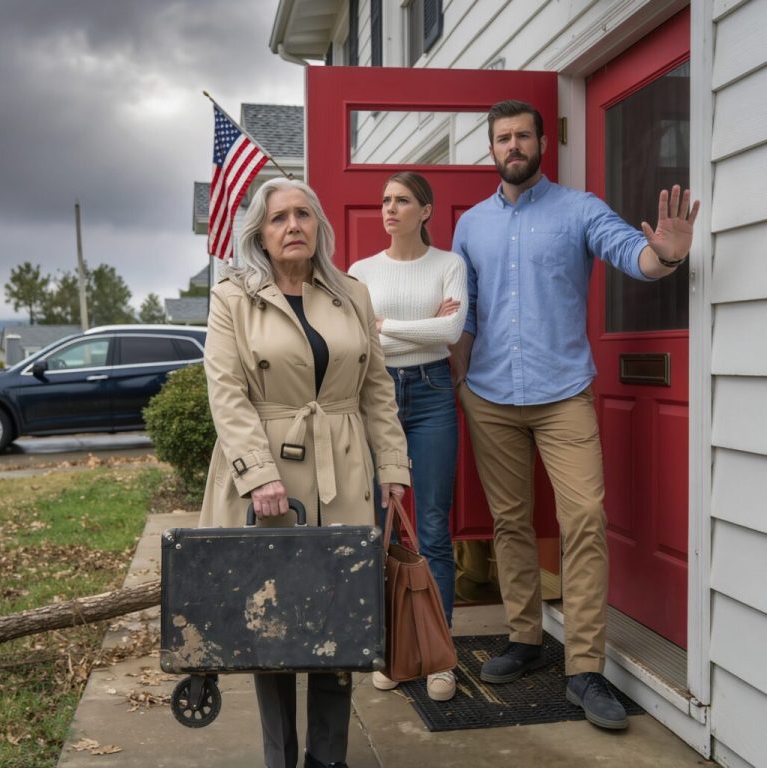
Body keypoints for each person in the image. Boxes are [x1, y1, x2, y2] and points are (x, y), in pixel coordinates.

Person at [450, 100, 700, 731]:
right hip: (490, 397)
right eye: (502, 138)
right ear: (491, 149)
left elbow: (631, 256)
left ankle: (584, 668)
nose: (513, 145)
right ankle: (526, 638)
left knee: (584, 517)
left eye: (522, 136)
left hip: (563, 394)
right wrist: (459, 380)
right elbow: (466, 312)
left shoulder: (580, 209)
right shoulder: (470, 225)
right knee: (510, 524)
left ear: (541, 144)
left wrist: (664, 256)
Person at [199, 177, 411, 768]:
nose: (292, 226)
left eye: (303, 215)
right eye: (278, 219)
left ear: (319, 226)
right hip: (268, 475)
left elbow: (376, 389)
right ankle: (279, 756)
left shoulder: (352, 294)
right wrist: (257, 475)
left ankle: (329, 758)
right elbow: (226, 392)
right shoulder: (232, 297)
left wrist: (392, 466)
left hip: (343, 472)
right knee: (272, 619)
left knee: (340, 614)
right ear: (259, 235)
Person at [348, 172, 467, 702]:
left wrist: (385, 325)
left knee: (434, 527)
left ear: (426, 210)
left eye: (401, 201)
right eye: (385, 201)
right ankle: (390, 649)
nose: (389, 209)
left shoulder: (449, 265)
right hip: (376, 397)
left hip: (433, 393)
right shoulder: (360, 272)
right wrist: (413, 325)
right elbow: (359, 337)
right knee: (379, 526)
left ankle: (439, 656)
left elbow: (450, 333)